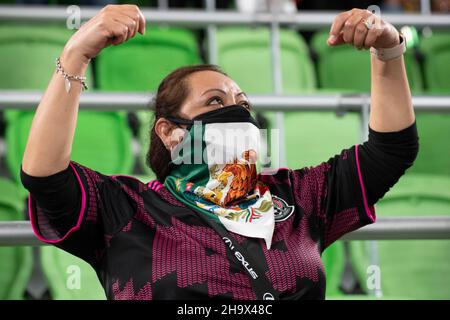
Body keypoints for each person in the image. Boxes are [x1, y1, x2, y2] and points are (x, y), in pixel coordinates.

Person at [20, 5, 419, 300]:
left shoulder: (298, 196)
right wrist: (77, 54)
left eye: (242, 103)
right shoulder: (126, 209)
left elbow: (392, 149)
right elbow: (44, 174)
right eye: (214, 101)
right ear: (171, 133)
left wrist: (389, 50)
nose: (237, 112)